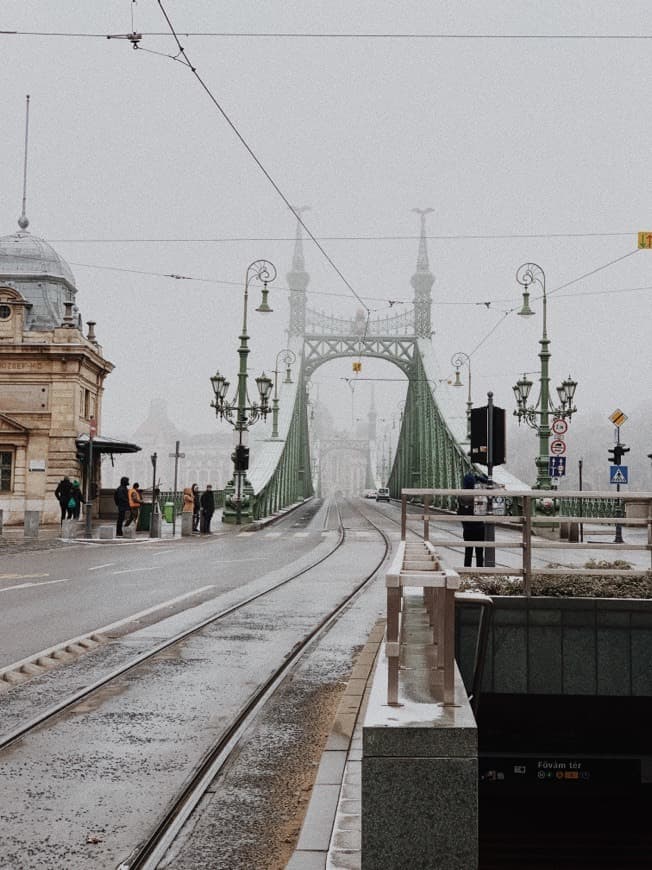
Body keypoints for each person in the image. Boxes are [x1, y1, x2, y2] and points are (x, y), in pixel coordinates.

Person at [457, 471, 487, 568]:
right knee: (479, 553)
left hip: (467, 528)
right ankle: (479, 572)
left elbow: (459, 512)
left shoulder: (461, 496)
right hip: (479, 527)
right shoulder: (478, 495)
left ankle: (467, 572)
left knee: (468, 552)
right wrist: (480, 478)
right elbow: (491, 484)